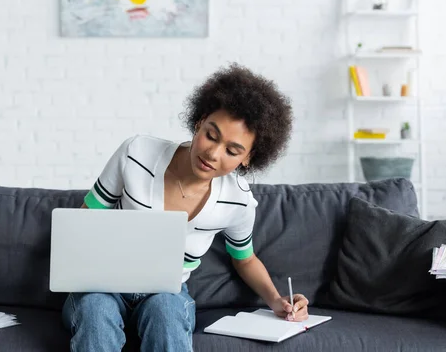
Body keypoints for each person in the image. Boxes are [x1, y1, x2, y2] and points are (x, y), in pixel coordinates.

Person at [62, 63, 309, 351]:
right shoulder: (137, 153)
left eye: (232, 151)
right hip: (101, 286)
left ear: (248, 158)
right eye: (211, 135)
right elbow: (85, 220)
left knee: (167, 311)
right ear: (199, 121)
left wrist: (277, 300)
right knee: (95, 310)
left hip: (166, 293)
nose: (212, 154)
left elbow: (244, 258)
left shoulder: (238, 200)